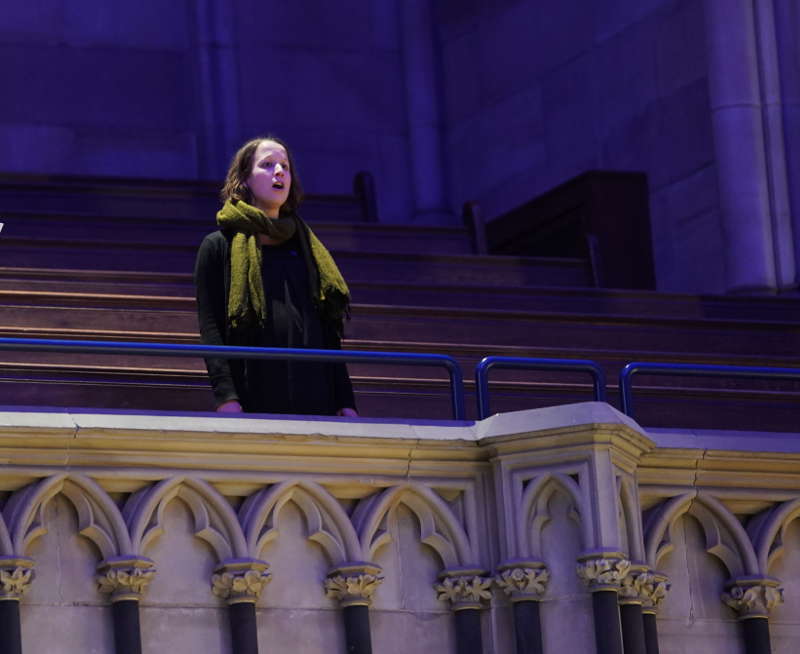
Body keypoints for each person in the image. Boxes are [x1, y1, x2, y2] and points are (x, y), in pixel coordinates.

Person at [194, 136, 358, 417]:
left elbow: (329, 332)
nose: (279, 172)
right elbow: (211, 329)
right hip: (253, 393)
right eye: (267, 165)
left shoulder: (307, 246)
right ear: (244, 179)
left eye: (285, 166)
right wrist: (226, 397)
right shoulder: (218, 245)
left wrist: (346, 401)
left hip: (316, 396)